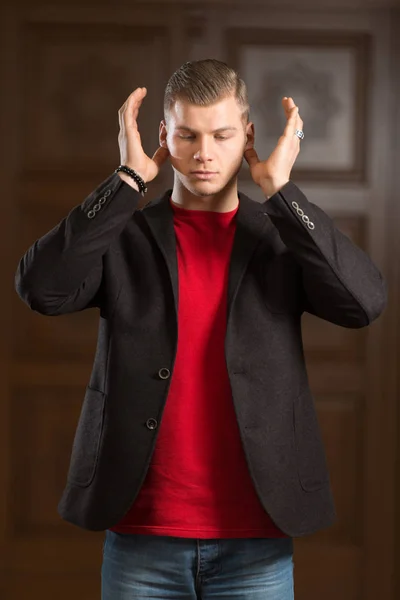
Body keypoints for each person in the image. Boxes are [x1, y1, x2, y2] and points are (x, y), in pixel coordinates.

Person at [15, 59, 387, 599]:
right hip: (142, 532)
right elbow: (41, 289)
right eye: (187, 134)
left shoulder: (281, 237)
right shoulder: (126, 235)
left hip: (256, 535)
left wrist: (282, 191)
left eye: (222, 135)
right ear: (164, 135)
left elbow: (364, 302)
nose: (204, 153)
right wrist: (127, 181)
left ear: (249, 136)